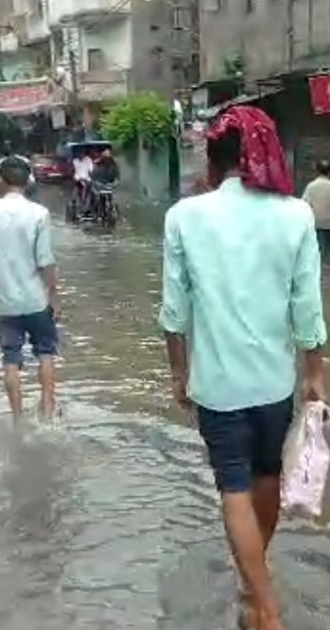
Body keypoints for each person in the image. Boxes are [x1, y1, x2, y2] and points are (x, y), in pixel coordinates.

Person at [158, 105, 326, 630]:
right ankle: (253, 579)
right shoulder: (295, 215)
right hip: (274, 382)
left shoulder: (184, 216)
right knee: (268, 477)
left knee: (233, 487)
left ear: (214, 158)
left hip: (217, 385)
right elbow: (307, 306)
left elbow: (174, 311)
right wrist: (314, 373)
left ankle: (264, 603)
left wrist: (178, 373)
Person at [0, 157, 60, 419]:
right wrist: (54, 296)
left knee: (10, 358)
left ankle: (18, 419)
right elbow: (45, 261)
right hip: (36, 299)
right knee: (46, 353)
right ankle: (48, 408)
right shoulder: (39, 213)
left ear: (0, 180)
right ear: (28, 181)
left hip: (3, 302)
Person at [301, 160, 330, 256]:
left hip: (315, 223)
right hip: (328, 223)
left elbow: (304, 204)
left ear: (317, 171)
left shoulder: (311, 187)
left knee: (317, 252)